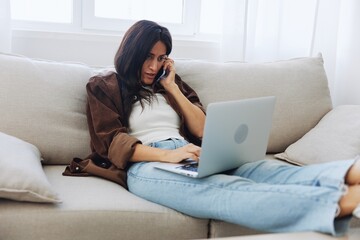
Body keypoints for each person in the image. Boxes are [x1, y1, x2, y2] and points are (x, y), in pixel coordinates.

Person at [64, 20, 360, 236]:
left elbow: (204, 129)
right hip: (146, 164)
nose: (154, 66)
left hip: (194, 153)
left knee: (269, 171)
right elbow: (111, 143)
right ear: (132, 52)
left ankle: (348, 174)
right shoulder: (103, 86)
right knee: (227, 191)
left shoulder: (171, 84)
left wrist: (171, 88)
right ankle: (336, 203)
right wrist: (170, 155)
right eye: (148, 57)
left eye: (161, 58)